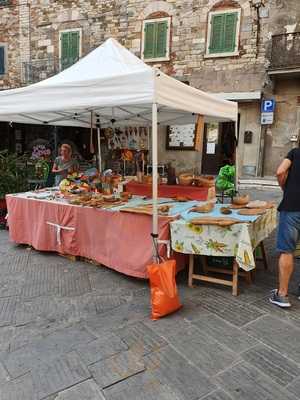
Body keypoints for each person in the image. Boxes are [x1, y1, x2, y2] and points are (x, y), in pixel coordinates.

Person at [270, 145, 300, 308]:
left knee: (287, 250)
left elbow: (280, 171)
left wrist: (285, 188)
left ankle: (282, 295)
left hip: (292, 207)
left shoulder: (295, 153)